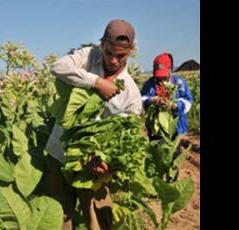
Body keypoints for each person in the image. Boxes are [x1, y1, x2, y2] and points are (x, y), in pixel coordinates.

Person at [44, 19, 142, 230]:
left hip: (96, 167)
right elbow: (58, 67)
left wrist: (105, 162)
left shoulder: (131, 94)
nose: (113, 60)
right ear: (102, 45)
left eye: (121, 55)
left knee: (99, 219)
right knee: (60, 217)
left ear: (131, 51)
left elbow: (126, 136)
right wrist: (96, 82)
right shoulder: (89, 56)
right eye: (109, 53)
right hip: (60, 153)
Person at [141, 52, 194, 181]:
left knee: (174, 154)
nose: (161, 79)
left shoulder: (179, 83)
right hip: (157, 128)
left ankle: (171, 181)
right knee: (157, 154)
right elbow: (142, 98)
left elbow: (188, 101)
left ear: (170, 69)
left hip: (176, 127)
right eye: (158, 75)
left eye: (163, 74)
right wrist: (152, 100)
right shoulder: (150, 83)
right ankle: (157, 183)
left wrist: (176, 105)